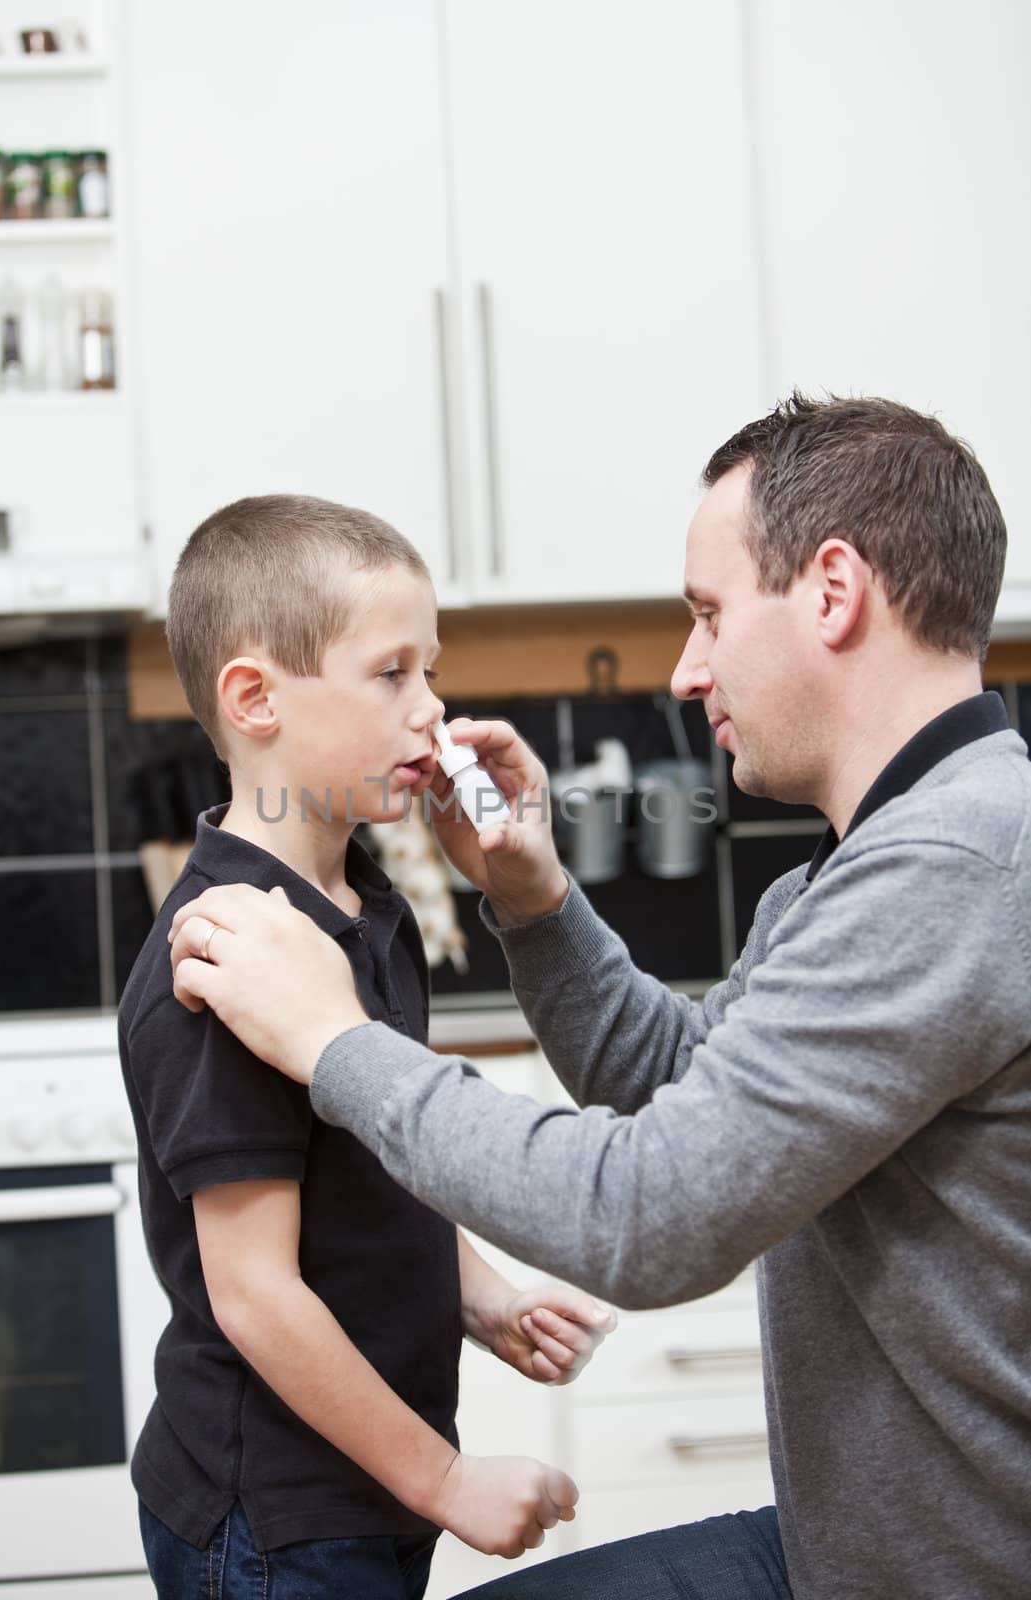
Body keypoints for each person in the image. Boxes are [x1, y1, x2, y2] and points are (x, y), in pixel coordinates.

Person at [166, 395, 1031, 1600]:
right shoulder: (865, 869)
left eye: (707, 614)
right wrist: (532, 898)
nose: (684, 669)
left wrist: (335, 1040)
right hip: (855, 1551)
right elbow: (696, 1098)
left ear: (832, 591)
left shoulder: (955, 869)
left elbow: (652, 1208)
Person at [119, 493, 617, 1600]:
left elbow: (372, 1165)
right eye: (392, 674)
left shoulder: (362, 904)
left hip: (360, 1483)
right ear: (254, 697)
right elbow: (252, 1293)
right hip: (274, 1513)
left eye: (428, 672)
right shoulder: (229, 956)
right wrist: (443, 1478)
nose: (431, 712)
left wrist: (480, 1295)